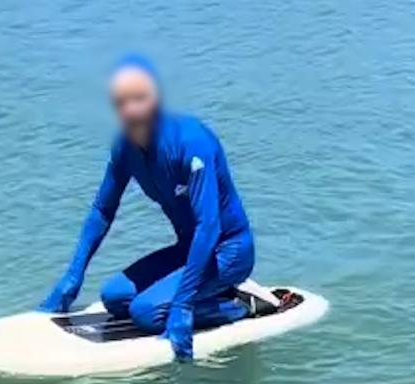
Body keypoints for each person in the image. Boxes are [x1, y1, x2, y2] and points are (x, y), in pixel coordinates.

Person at [39, 54, 283, 360]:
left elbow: (210, 228)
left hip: (227, 252)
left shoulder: (192, 143)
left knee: (145, 312)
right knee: (114, 298)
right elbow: (102, 211)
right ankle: (198, 293)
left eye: (139, 99)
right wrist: (72, 276)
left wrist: (181, 305)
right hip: (189, 250)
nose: (131, 110)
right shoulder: (125, 146)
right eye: (122, 102)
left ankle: (239, 305)